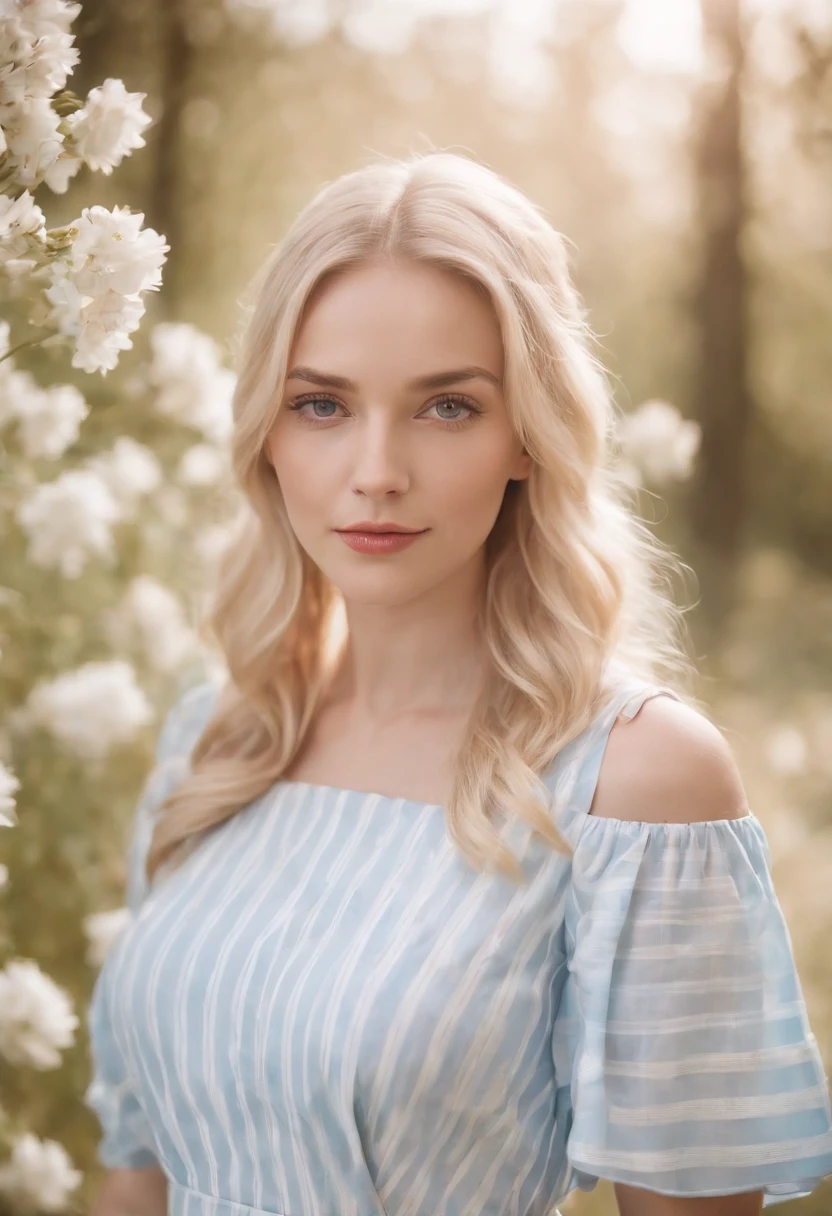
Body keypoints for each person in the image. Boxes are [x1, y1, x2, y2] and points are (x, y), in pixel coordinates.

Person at [86, 152, 832, 1216]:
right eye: (323, 405)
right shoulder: (214, 742)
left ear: (527, 433)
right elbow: (140, 1168)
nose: (377, 470)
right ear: (268, 431)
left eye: (445, 408)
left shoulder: (636, 783)